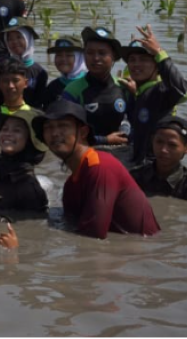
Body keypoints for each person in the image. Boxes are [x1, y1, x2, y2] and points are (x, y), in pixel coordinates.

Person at [34, 99, 160, 238]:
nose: (55, 133)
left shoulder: (101, 167)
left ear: (83, 132)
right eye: (48, 128)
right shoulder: (71, 184)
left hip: (142, 252)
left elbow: (94, 235)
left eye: (63, 125)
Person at [120, 25, 187, 164]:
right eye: (132, 60)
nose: (136, 64)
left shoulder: (161, 91)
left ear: (157, 67)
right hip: (140, 164)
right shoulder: (140, 92)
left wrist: (160, 53)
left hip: (154, 166)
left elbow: (184, 92)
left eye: (143, 59)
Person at [62, 27, 132, 146]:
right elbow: (66, 132)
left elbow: (134, 121)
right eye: (90, 53)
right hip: (86, 152)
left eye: (102, 53)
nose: (96, 58)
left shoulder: (124, 87)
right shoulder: (73, 90)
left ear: (113, 56)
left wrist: (126, 133)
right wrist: (105, 140)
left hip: (121, 152)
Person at [0, 108, 50, 218]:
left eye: (17, 130)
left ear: (30, 140)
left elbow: (33, 228)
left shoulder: (29, 188)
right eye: (4, 129)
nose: (8, 134)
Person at [130, 115, 187, 201]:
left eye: (172, 145)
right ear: (152, 141)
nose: (163, 150)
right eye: (159, 142)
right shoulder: (135, 176)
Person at [0, 59, 36, 146]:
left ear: (25, 83)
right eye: (5, 81)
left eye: (15, 80)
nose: (10, 86)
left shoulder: (36, 119)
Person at [0, 18, 48, 102]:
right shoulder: (2, 68)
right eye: (10, 39)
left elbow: (40, 101)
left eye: (19, 37)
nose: (14, 42)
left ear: (28, 39)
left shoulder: (40, 72)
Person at [35, 35, 85, 110]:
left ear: (79, 58)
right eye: (59, 55)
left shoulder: (89, 84)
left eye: (68, 55)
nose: (63, 59)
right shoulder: (53, 87)